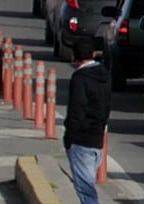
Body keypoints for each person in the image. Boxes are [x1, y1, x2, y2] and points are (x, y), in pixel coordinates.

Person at [63, 38, 111, 204]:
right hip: (97, 139)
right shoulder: (104, 76)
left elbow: (76, 112)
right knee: (88, 186)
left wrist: (68, 139)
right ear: (93, 54)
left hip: (81, 141)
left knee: (86, 191)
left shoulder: (79, 78)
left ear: (74, 57)